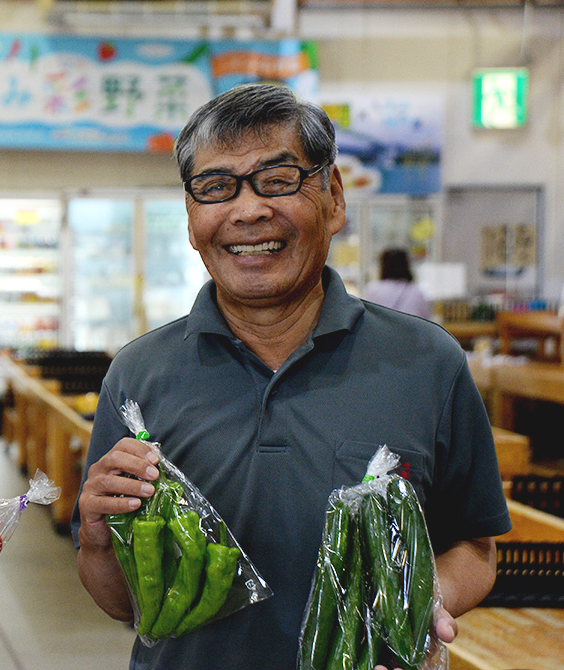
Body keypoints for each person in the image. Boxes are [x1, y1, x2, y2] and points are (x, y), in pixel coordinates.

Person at [72, 83, 510, 670]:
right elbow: (122, 602)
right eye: (216, 187)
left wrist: (422, 600)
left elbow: (476, 547)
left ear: (332, 197)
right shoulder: (138, 374)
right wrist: (98, 540)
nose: (248, 210)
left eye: (277, 179)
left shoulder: (428, 361)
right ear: (191, 215)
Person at [362, 248, 433, 319]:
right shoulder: (416, 291)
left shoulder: (373, 289)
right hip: (409, 328)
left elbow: (366, 315)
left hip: (382, 329)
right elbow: (426, 317)